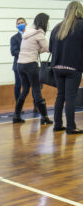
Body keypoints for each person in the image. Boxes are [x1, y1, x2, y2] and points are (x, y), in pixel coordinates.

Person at [13, 13, 53, 125]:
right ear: (44, 22)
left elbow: (31, 49)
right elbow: (47, 48)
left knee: (25, 89)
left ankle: (16, 115)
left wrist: (38, 50)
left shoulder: (27, 32)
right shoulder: (39, 34)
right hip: (30, 64)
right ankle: (44, 117)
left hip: (20, 64)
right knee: (36, 89)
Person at [50, 1, 83, 134]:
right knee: (70, 98)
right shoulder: (81, 25)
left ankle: (57, 125)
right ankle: (71, 127)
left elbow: (51, 48)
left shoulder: (58, 27)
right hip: (73, 67)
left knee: (60, 96)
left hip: (57, 67)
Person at [10, 17, 27, 103]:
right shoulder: (14, 38)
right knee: (18, 86)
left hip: (30, 65)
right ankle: (19, 105)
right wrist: (25, 52)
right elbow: (13, 52)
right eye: (19, 23)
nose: (20, 24)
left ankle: (36, 106)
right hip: (18, 66)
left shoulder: (30, 36)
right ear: (16, 26)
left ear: (26, 24)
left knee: (34, 85)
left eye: (22, 22)